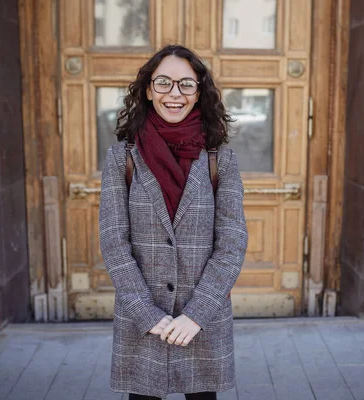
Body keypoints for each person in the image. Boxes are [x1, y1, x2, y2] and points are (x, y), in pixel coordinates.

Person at [99, 44, 248, 400]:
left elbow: (231, 244)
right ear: (148, 90)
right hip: (143, 324)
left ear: (199, 93)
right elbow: (114, 242)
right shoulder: (123, 158)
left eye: (186, 84)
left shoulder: (220, 161)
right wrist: (146, 314)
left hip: (202, 322)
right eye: (163, 83)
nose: (174, 94)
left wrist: (195, 315)